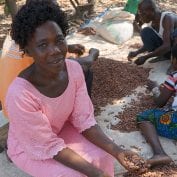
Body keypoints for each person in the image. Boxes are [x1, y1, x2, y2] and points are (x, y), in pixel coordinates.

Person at [5, 1, 148, 177]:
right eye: (43, 45)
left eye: (59, 40)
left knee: (104, 156)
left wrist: (119, 152)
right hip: (30, 146)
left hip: (59, 130)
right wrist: (96, 173)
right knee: (73, 175)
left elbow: (84, 120)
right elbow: (47, 144)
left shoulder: (73, 69)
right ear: (27, 51)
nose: (55, 50)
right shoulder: (20, 94)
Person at [136, 44, 177, 167]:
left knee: (145, 117)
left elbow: (160, 102)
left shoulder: (174, 76)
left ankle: (159, 153)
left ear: (174, 59)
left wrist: (154, 88)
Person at [127, 0, 177, 67]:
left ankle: (174, 64)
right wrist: (137, 52)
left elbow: (167, 46)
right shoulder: (152, 22)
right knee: (145, 32)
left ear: (152, 10)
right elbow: (150, 45)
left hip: (174, 49)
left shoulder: (167, 18)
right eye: (140, 14)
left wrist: (146, 57)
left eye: (143, 14)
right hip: (170, 49)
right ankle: (165, 56)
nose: (141, 16)